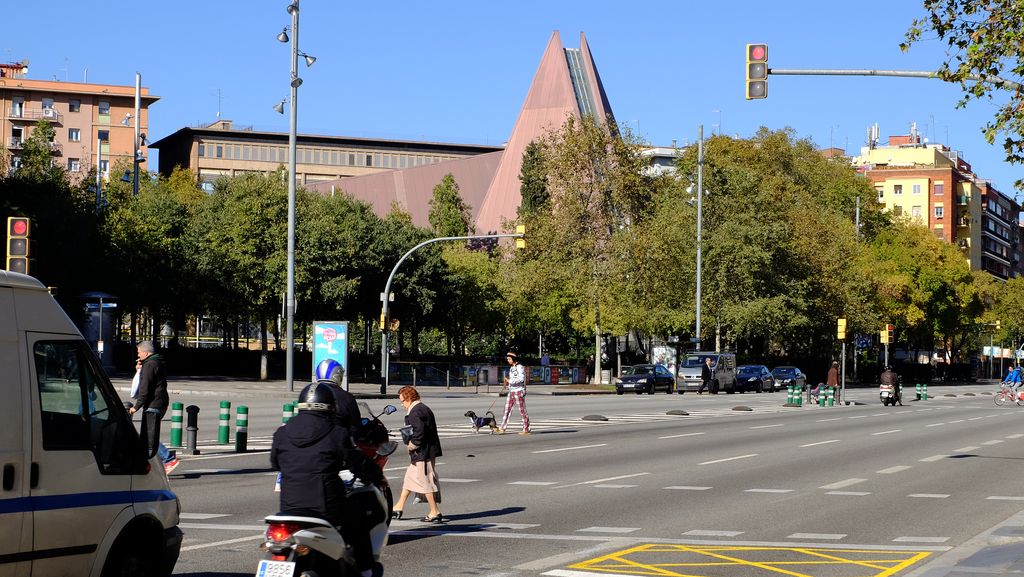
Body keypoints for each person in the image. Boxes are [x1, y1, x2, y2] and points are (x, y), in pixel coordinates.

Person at [271, 382, 382, 577]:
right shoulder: (336, 432)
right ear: (330, 407)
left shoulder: (282, 432)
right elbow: (357, 462)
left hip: (288, 507)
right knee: (358, 520)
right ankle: (365, 571)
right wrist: (375, 475)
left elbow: (275, 462)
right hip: (326, 506)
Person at [391, 386, 444, 523]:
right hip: (427, 451)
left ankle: (435, 511)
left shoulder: (414, 412)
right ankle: (398, 507)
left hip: (422, 453)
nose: (402, 404)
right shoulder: (423, 408)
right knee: (409, 478)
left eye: (402, 401)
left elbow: (419, 432)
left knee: (425, 481)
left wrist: (412, 445)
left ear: (408, 398)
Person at [128, 341, 178, 474]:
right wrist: (139, 369)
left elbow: (145, 388)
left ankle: (168, 459)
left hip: (153, 404)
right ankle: (146, 465)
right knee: (146, 438)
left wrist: (136, 407)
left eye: (139, 352)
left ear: (146, 352)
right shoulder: (156, 362)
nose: (138, 355)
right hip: (158, 403)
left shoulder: (149, 364)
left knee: (149, 438)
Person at [315, 358, 361, 434]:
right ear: (337, 376)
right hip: (336, 440)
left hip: (309, 436)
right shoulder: (346, 396)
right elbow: (355, 422)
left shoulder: (309, 392)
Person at [500, 352, 531, 434]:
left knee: (522, 410)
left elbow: (521, 379)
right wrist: (508, 384)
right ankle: (502, 427)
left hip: (519, 391)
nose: (508, 361)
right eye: (507, 359)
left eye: (509, 359)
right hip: (512, 391)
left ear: (513, 359)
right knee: (507, 410)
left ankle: (526, 429)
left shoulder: (520, 367)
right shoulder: (511, 368)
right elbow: (512, 379)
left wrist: (510, 381)